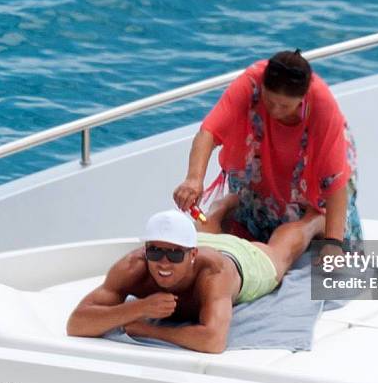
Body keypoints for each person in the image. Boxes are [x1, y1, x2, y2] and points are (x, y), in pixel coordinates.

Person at [173, 49, 362, 246]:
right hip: (260, 149)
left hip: (311, 160)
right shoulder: (250, 83)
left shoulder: (322, 104)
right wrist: (193, 179)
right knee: (253, 210)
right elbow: (209, 132)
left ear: (303, 97)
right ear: (262, 85)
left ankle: (315, 221)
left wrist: (333, 242)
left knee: (331, 232)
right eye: (270, 102)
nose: (275, 111)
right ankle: (235, 208)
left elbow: (334, 178)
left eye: (285, 106)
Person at [66, 209, 323, 353]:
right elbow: (76, 324)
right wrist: (139, 308)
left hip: (242, 261)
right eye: (155, 252)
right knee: (189, 240)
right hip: (200, 243)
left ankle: (313, 220)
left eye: (174, 255)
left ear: (191, 254)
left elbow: (213, 341)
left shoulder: (213, 274)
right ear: (145, 250)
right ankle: (220, 210)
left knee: (280, 254)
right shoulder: (134, 266)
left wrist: (149, 329)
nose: (164, 263)